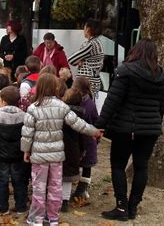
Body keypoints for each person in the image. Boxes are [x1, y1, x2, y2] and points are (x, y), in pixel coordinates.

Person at [95, 38, 164, 221]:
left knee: (118, 165)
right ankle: (133, 206)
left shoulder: (125, 71)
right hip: (150, 129)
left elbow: (112, 101)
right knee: (141, 167)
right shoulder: (160, 75)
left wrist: (100, 125)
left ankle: (121, 207)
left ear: (135, 51)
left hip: (125, 127)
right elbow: (161, 106)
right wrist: (155, 123)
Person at [21, 73, 103, 226]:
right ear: (55, 88)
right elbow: (79, 124)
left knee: (39, 187)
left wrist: (26, 150)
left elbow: (27, 133)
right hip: (57, 156)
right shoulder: (62, 107)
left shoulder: (33, 108)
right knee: (55, 187)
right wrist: (94, 131)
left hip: (39, 156)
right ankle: (52, 217)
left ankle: (36, 218)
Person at [0, 86, 28, 215]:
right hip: (19, 155)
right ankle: (21, 206)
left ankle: (3, 208)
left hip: (1, 156)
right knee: (20, 181)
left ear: (2, 101)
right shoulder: (25, 117)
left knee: (2, 182)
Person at [71, 76, 99, 200]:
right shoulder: (90, 103)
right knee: (86, 166)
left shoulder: (83, 104)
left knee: (85, 166)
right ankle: (81, 189)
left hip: (84, 140)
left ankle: (82, 189)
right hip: (87, 140)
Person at [60, 88, 85, 212]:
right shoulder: (82, 115)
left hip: (59, 147)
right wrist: (82, 150)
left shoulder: (61, 113)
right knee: (68, 177)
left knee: (57, 175)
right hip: (74, 149)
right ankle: (65, 200)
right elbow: (83, 135)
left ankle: (56, 198)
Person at [68, 19, 105, 98]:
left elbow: (71, 60)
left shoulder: (91, 44)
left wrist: (79, 60)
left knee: (83, 106)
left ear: (88, 29)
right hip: (94, 81)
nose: (83, 31)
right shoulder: (98, 42)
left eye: (84, 28)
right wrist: (80, 59)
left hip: (86, 82)